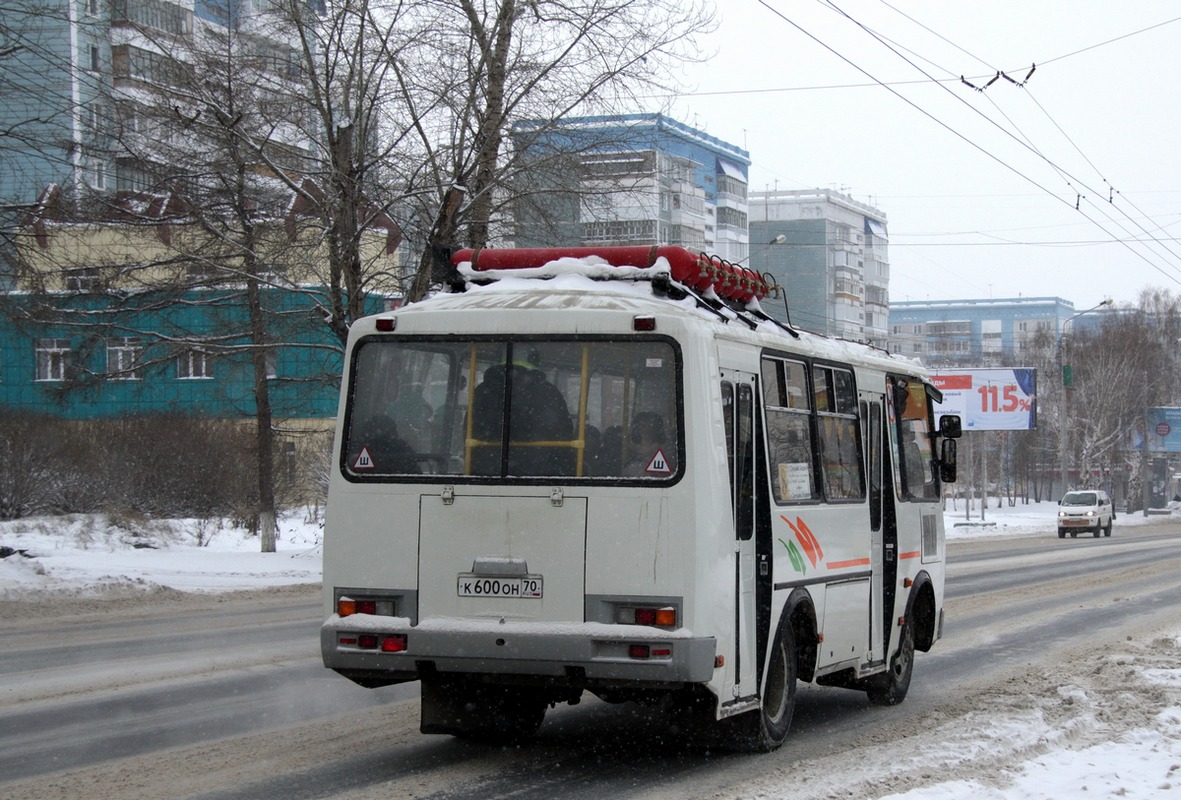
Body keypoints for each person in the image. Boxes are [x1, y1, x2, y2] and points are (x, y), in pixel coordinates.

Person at [470, 347, 574, 476]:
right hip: (538, 471)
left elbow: (470, 426)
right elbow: (563, 431)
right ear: (534, 360)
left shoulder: (482, 390)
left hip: (484, 470)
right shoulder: (547, 391)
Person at [624, 411, 673, 477]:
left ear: (656, 429)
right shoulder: (628, 450)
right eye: (640, 425)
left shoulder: (663, 453)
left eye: (647, 424)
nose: (642, 428)